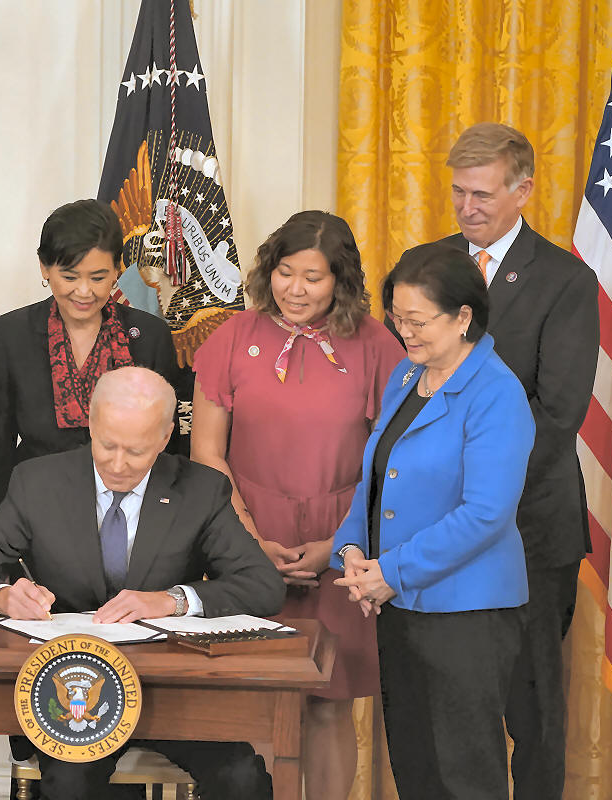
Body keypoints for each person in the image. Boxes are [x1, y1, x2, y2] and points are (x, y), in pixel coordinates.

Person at [0, 367, 282, 800]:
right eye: (107, 445)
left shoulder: (201, 490)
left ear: (165, 437)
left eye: (135, 451)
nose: (118, 465)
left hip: (172, 691)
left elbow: (264, 585)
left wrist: (172, 601)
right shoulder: (38, 481)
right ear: (91, 424)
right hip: (72, 692)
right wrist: (2, 596)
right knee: (69, 785)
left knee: (242, 778)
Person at [405, 123, 599, 799]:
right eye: (458, 192)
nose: (467, 207)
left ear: (523, 190)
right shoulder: (425, 266)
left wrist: (473, 488)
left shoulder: (566, 280)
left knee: (532, 709)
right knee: (442, 707)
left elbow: (559, 412)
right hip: (434, 533)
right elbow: (404, 389)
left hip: (529, 530)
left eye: (482, 194)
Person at [190, 210, 404, 800]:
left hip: (345, 542)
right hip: (245, 536)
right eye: (285, 272)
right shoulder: (232, 336)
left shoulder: (377, 345)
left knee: (329, 702)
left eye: (313, 277)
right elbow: (206, 452)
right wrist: (248, 543)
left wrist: (338, 543)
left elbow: (394, 461)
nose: (296, 289)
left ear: (340, 280)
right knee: (263, 703)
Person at [332, 244, 535, 799]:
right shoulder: (407, 374)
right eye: (397, 319)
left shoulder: (496, 392)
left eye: (417, 322)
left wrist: (392, 571)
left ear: (463, 317)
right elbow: (377, 474)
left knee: (464, 775)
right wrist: (351, 550)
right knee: (415, 763)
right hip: (399, 605)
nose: (404, 333)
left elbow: (486, 513)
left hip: (467, 614)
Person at [0, 199, 179, 518]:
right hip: (36, 509)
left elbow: (169, 447)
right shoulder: (10, 335)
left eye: (98, 278)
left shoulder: (150, 336)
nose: (84, 292)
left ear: (117, 269)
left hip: (127, 512)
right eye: (70, 277)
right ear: (45, 268)